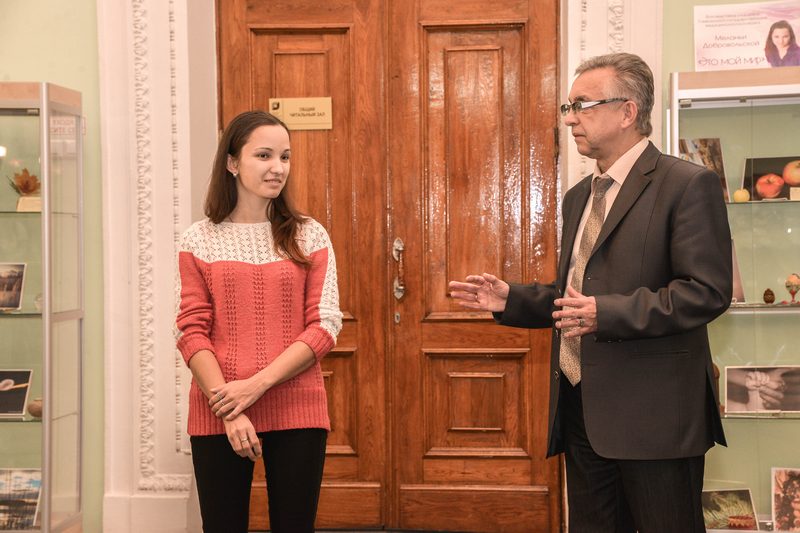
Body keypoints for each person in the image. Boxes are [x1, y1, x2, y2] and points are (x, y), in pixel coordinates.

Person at [449, 53, 732, 532]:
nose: (569, 119)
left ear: (627, 112)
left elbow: (705, 292)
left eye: (582, 105)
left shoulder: (686, 184)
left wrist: (608, 313)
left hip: (655, 418)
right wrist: (511, 300)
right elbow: (579, 295)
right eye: (569, 106)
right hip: (582, 410)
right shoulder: (579, 196)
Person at [175, 110, 343, 533]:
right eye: (264, 155)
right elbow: (190, 329)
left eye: (285, 157)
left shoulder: (309, 234)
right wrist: (228, 408)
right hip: (219, 406)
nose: (278, 168)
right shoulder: (199, 238)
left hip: (297, 406)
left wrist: (255, 386)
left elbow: (324, 326)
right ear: (233, 163)